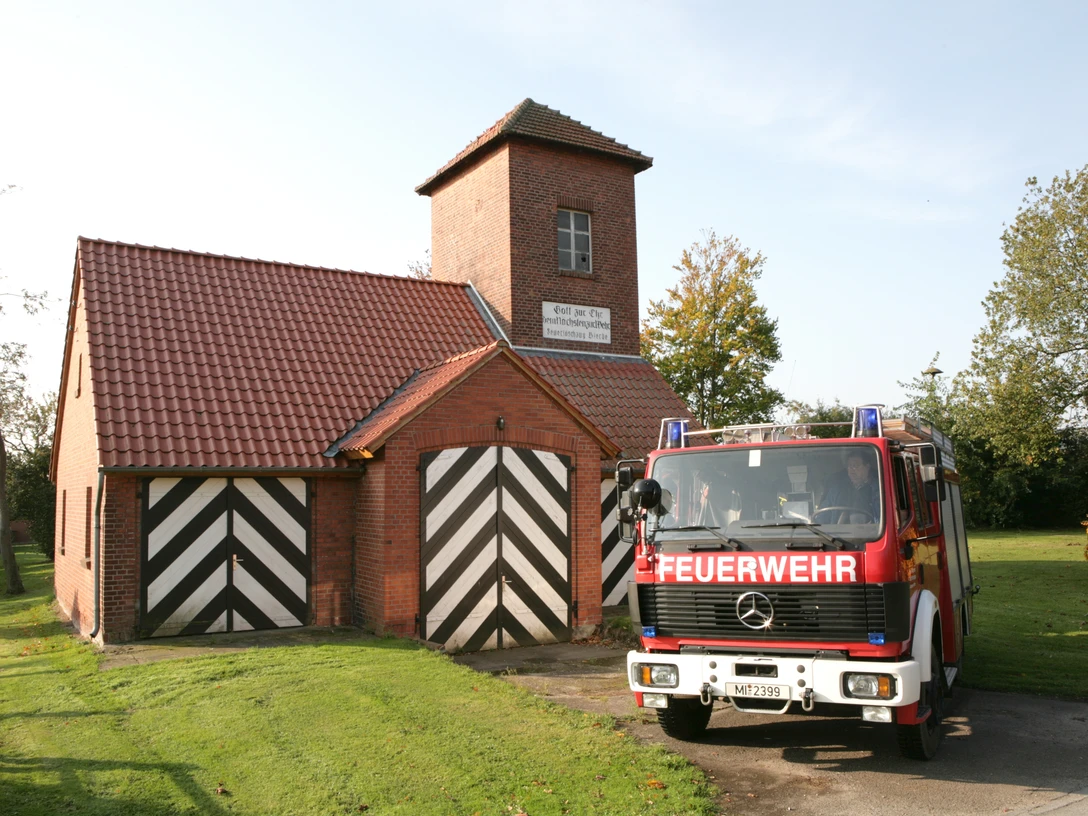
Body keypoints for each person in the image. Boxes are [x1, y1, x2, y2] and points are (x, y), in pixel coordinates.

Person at [818, 450, 879, 522]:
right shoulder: (837, 490)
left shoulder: (879, 489)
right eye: (849, 467)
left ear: (867, 467)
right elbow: (821, 517)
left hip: (873, 532)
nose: (851, 471)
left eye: (855, 466)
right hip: (837, 532)